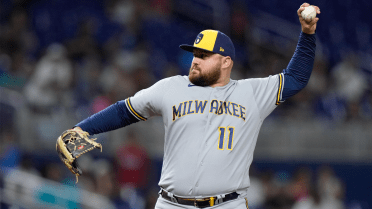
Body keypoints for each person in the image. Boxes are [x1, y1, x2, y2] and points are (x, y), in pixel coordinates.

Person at [70, 3, 320, 208]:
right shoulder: (171, 87)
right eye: (194, 54)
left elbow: (295, 78)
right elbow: (124, 110)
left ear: (226, 62)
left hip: (227, 205)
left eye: (204, 55)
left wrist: (307, 34)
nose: (195, 60)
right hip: (172, 204)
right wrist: (82, 129)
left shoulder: (250, 92)